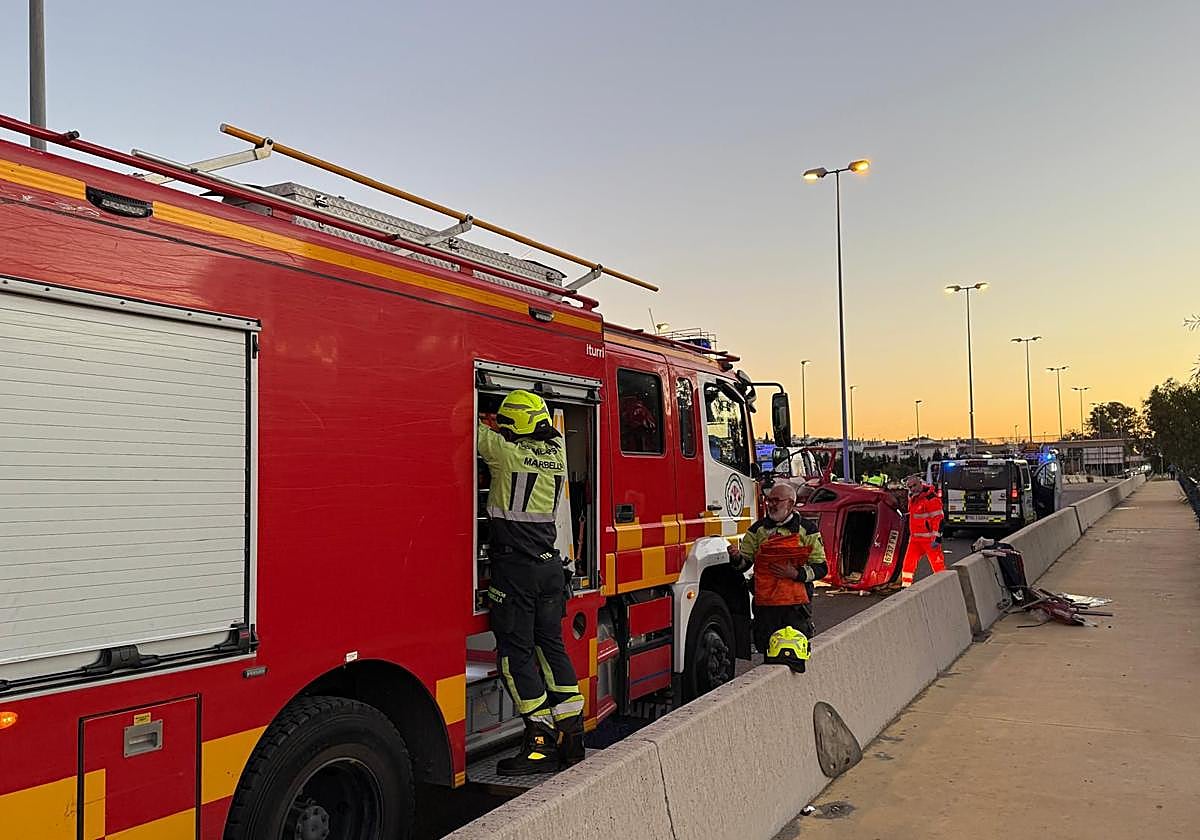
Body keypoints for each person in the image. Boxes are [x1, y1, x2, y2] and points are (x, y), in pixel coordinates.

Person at [478, 389, 585, 775]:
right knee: (552, 648)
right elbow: (535, 434)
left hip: (517, 572)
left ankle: (540, 742)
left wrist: (486, 419)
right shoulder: (557, 453)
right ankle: (572, 736)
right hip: (548, 567)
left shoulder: (505, 454)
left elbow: (470, 430)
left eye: (507, 425)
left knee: (515, 654)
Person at [728, 481, 827, 651]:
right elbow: (744, 565)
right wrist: (736, 558)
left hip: (795, 607)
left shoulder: (807, 529)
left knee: (796, 651)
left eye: (776, 501)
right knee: (767, 649)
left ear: (790, 503)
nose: (771, 505)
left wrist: (795, 574)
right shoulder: (757, 530)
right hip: (766, 606)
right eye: (769, 500)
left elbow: (821, 567)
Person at [900, 473, 946, 587]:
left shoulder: (931, 499)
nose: (912, 489)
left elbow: (938, 519)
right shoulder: (913, 498)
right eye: (910, 487)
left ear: (921, 483)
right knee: (908, 564)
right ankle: (905, 587)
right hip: (915, 539)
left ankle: (944, 585)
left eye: (914, 485)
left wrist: (937, 538)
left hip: (929, 540)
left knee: (938, 565)